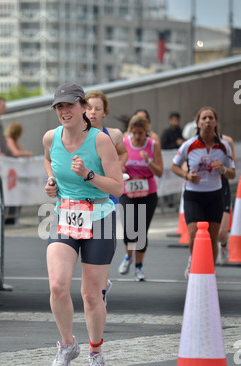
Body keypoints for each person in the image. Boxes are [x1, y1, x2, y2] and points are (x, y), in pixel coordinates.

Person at [43, 82, 123, 366]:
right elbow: (49, 161)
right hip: (66, 215)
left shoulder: (100, 141)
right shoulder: (51, 138)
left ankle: (96, 354)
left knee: (91, 294)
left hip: (100, 216)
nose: (64, 111)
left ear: (82, 108)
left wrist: (89, 175)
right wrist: (52, 183)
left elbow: (118, 186)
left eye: (69, 105)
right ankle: (67, 345)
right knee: (57, 286)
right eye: (59, 107)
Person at [171, 106, 236, 278]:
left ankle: (209, 271)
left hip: (215, 195)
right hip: (194, 195)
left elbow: (233, 173)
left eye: (210, 118)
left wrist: (223, 170)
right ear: (198, 123)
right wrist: (186, 175)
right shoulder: (189, 145)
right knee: (194, 234)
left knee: (212, 238)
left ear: (216, 122)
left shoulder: (224, 147)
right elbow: (174, 166)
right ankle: (193, 260)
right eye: (204, 118)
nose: (207, 121)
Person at [85, 90, 128, 305]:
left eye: (97, 108)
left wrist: (117, 168)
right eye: (89, 107)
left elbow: (123, 152)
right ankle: (101, 282)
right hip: (83, 197)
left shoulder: (114, 134)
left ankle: (101, 292)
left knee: (102, 239)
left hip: (107, 195)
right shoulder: (75, 134)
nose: (92, 112)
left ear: (105, 112)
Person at [118, 115, 164, 281]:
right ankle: (128, 257)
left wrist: (148, 161)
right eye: (135, 133)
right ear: (130, 131)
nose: (138, 136)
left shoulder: (153, 145)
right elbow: (115, 165)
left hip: (148, 192)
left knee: (141, 231)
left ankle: (139, 267)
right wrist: (120, 167)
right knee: (129, 229)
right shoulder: (124, 143)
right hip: (128, 191)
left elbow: (159, 171)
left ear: (147, 132)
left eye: (141, 133)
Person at [217, 133, 237, 264]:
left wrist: (223, 168)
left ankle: (223, 245)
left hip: (221, 188)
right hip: (200, 190)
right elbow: (184, 164)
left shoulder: (226, 142)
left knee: (221, 233)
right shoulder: (193, 143)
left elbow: (232, 171)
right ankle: (139, 266)